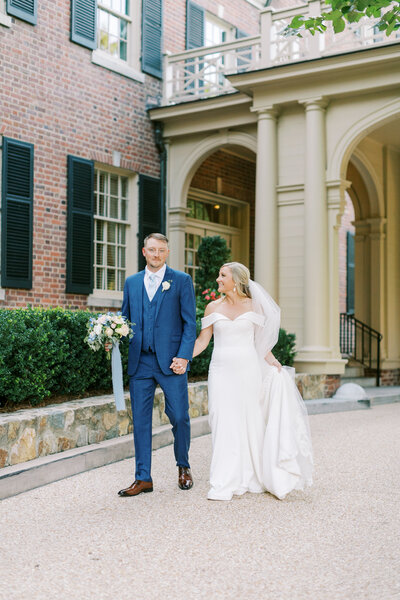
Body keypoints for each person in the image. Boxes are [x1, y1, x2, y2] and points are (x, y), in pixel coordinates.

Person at [193, 262, 313, 501]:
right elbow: (202, 341)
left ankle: (251, 475)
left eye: (222, 275)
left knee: (249, 418)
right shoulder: (212, 307)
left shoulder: (255, 306)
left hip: (248, 370)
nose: (217, 279)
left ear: (236, 281)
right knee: (222, 418)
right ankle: (225, 478)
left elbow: (261, 343)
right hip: (221, 371)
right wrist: (183, 358)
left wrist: (273, 362)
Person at [116, 233, 197, 497]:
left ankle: (183, 466)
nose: (156, 254)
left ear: (167, 252)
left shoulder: (181, 281)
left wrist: (184, 356)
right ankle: (143, 478)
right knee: (140, 421)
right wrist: (111, 336)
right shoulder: (132, 282)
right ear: (143, 251)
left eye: (161, 250)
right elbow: (124, 319)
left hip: (172, 362)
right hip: (140, 362)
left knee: (180, 417)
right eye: (152, 250)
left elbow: (189, 323)